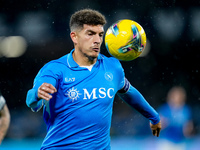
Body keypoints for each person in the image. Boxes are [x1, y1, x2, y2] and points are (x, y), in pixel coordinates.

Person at [26, 9, 161, 149]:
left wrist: (154, 116)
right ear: (74, 37)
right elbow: (33, 102)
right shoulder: (55, 69)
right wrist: (36, 94)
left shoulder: (112, 67)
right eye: (90, 34)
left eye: (100, 35)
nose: (97, 40)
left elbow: (128, 92)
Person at [157, 86, 193, 150]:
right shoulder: (165, 109)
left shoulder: (185, 110)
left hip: (180, 142)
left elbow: (188, 127)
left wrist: (188, 130)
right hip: (166, 142)